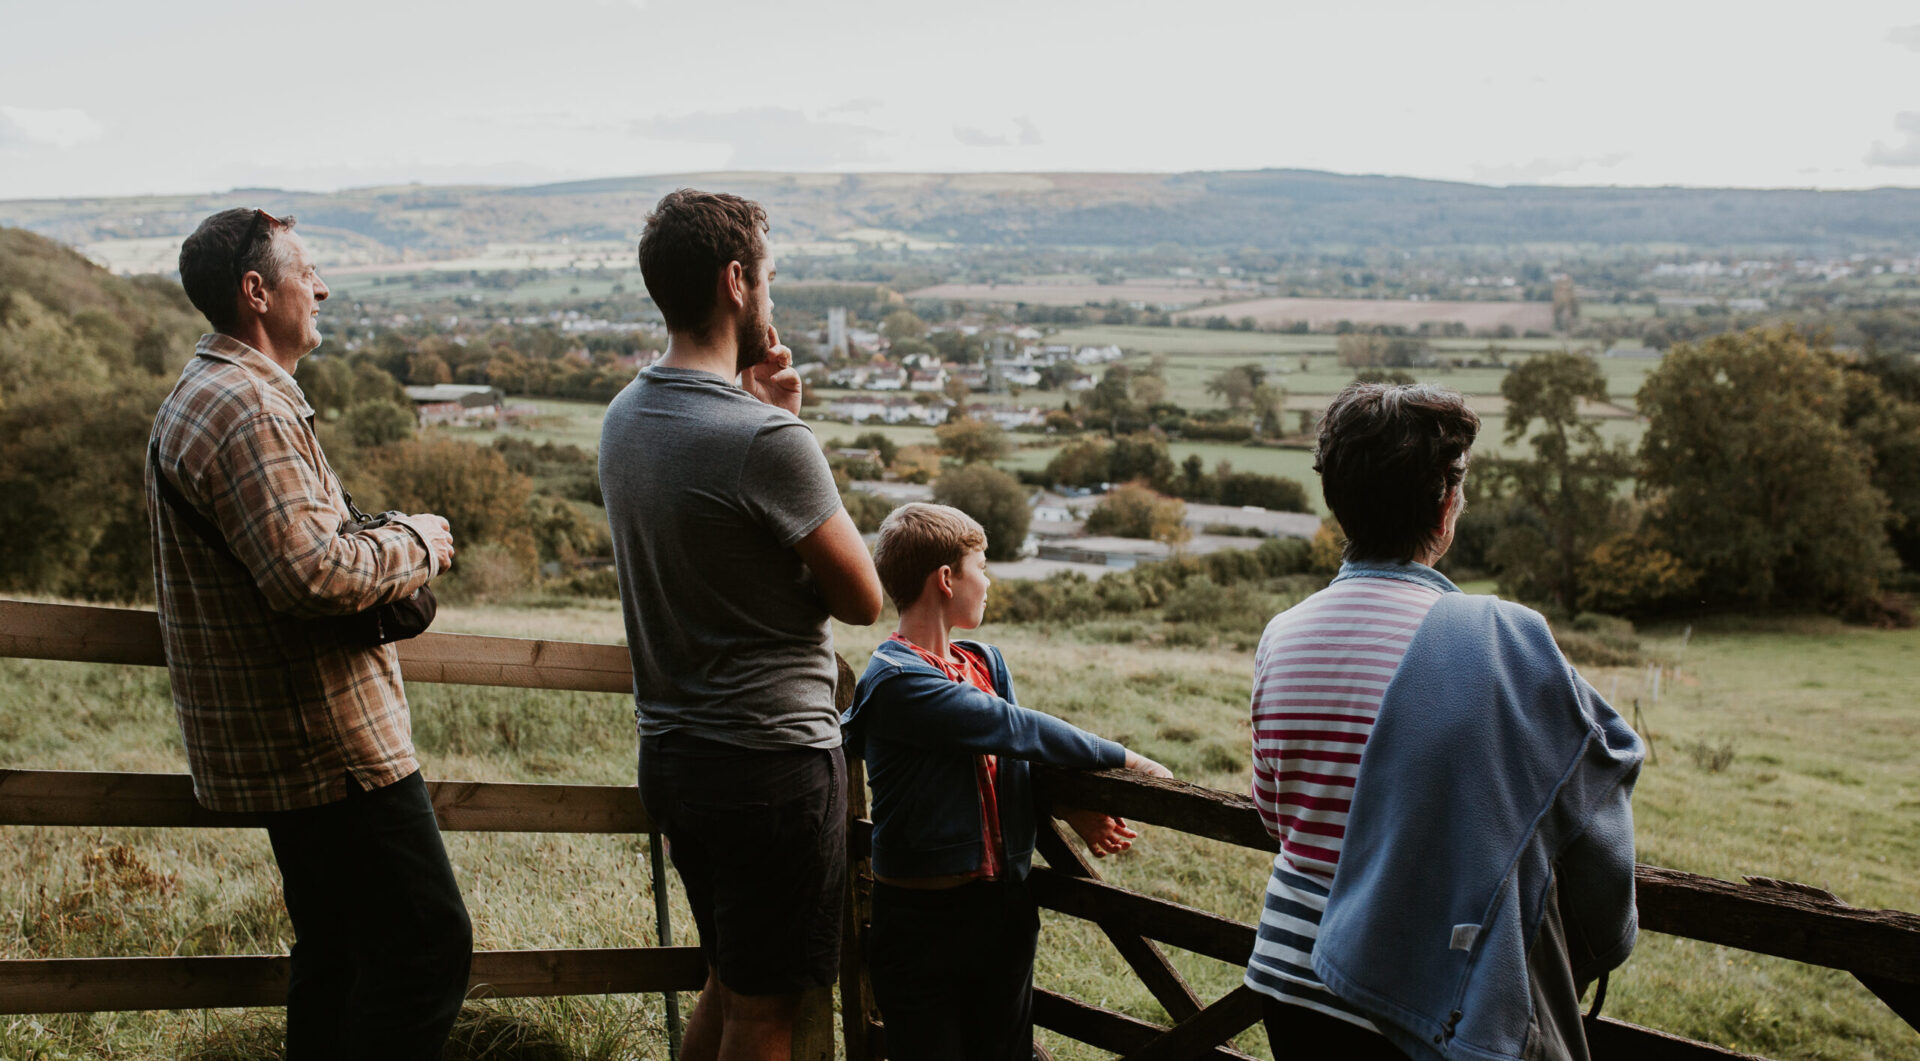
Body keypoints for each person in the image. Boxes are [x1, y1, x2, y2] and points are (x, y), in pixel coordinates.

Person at [148, 208, 469, 1059]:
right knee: (428, 949)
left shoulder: (204, 392)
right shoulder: (248, 405)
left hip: (280, 738)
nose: (321, 286)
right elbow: (309, 572)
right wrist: (419, 541)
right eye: (307, 271)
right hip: (324, 740)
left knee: (338, 955)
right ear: (257, 292)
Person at [1245, 382, 1644, 1061]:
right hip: (1425, 993)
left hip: (1287, 974)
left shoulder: (1283, 633)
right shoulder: (1504, 639)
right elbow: (1588, 824)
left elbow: (1277, 815)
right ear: (1445, 502)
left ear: (1338, 500)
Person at [601, 189, 883, 1061]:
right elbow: (862, 597)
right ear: (736, 281)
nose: (772, 292)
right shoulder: (767, 441)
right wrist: (783, 423)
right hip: (769, 764)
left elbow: (718, 549)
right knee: (767, 1014)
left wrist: (758, 410)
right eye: (770, 275)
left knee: (730, 983)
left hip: (676, 755)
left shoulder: (624, 417)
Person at [844, 503, 1172, 1061]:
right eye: (982, 566)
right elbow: (1010, 726)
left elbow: (1014, 755)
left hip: (1001, 914)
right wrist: (1126, 760)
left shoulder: (986, 663)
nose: (989, 581)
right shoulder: (898, 681)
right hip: (921, 924)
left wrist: (1068, 806)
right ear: (946, 580)